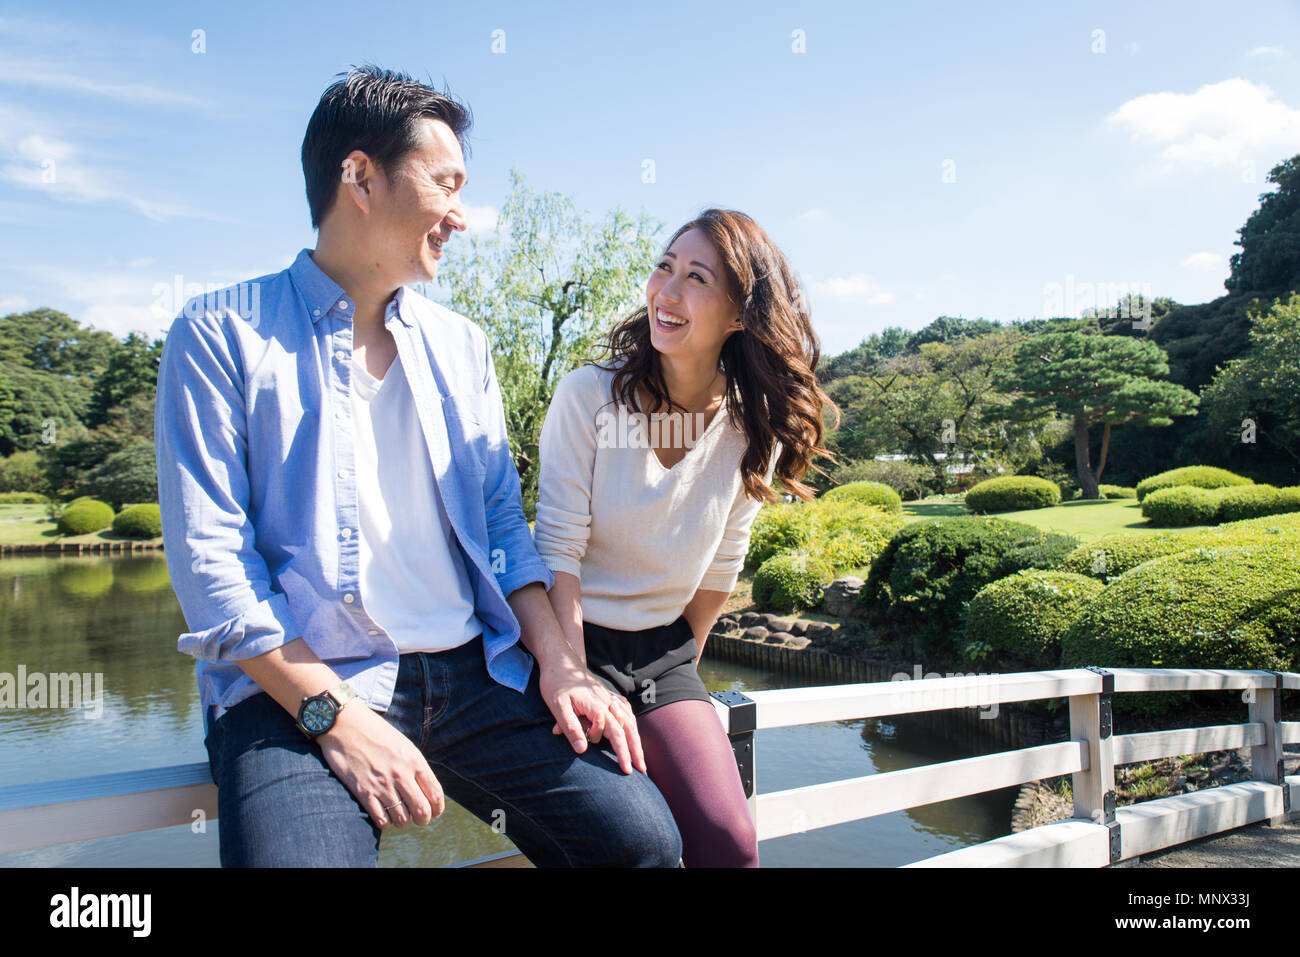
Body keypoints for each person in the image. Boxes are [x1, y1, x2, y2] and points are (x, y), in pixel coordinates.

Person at [154, 65, 681, 867]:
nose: (461, 216)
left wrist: (563, 665)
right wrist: (334, 716)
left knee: (642, 841)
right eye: (445, 184)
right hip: (296, 684)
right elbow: (213, 566)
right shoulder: (221, 333)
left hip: (473, 675)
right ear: (359, 176)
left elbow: (503, 521)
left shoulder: (460, 344)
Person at [534, 209, 837, 866]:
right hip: (568, 645)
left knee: (730, 842)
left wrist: (676, 679)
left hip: (665, 655)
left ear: (738, 314)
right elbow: (555, 550)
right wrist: (577, 671)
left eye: (696, 278)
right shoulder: (588, 397)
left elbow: (721, 570)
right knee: (631, 840)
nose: (666, 293)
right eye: (664, 267)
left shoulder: (751, 428)